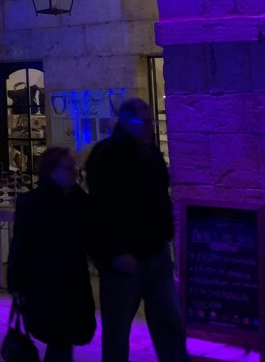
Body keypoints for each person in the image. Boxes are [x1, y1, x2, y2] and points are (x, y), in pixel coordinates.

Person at [85, 97, 189, 362]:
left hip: (156, 251)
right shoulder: (108, 154)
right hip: (123, 259)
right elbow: (103, 208)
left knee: (170, 324)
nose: (148, 125)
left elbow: (159, 197)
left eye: (149, 120)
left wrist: (165, 232)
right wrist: (115, 250)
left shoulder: (150, 153)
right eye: (141, 120)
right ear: (126, 121)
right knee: (118, 330)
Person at [8, 147, 95, 362]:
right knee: (60, 339)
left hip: (72, 280)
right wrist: (17, 283)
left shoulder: (80, 201)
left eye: (74, 167)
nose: (74, 172)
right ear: (52, 171)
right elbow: (21, 244)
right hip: (46, 282)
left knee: (62, 339)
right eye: (68, 168)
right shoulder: (34, 202)